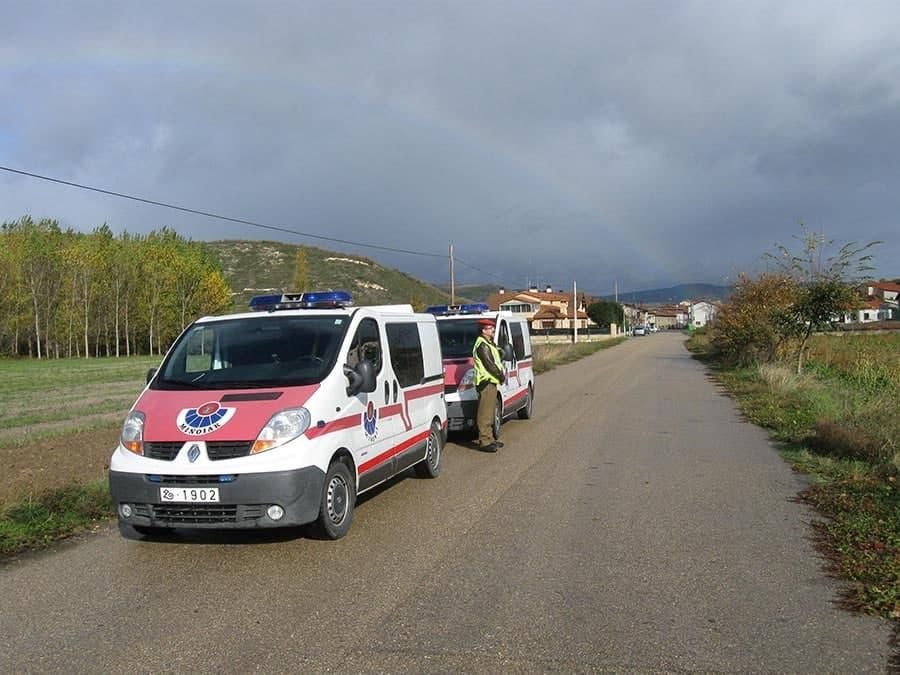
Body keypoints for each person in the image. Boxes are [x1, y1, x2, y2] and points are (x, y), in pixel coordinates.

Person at [472, 317, 505, 452]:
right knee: (484, 413)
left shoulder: (488, 343)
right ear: (484, 330)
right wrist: (500, 375)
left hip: (491, 381)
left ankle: (490, 439)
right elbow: (489, 365)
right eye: (490, 328)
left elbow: (496, 357)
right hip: (486, 382)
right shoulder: (482, 345)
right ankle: (485, 441)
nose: (493, 330)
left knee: (490, 412)